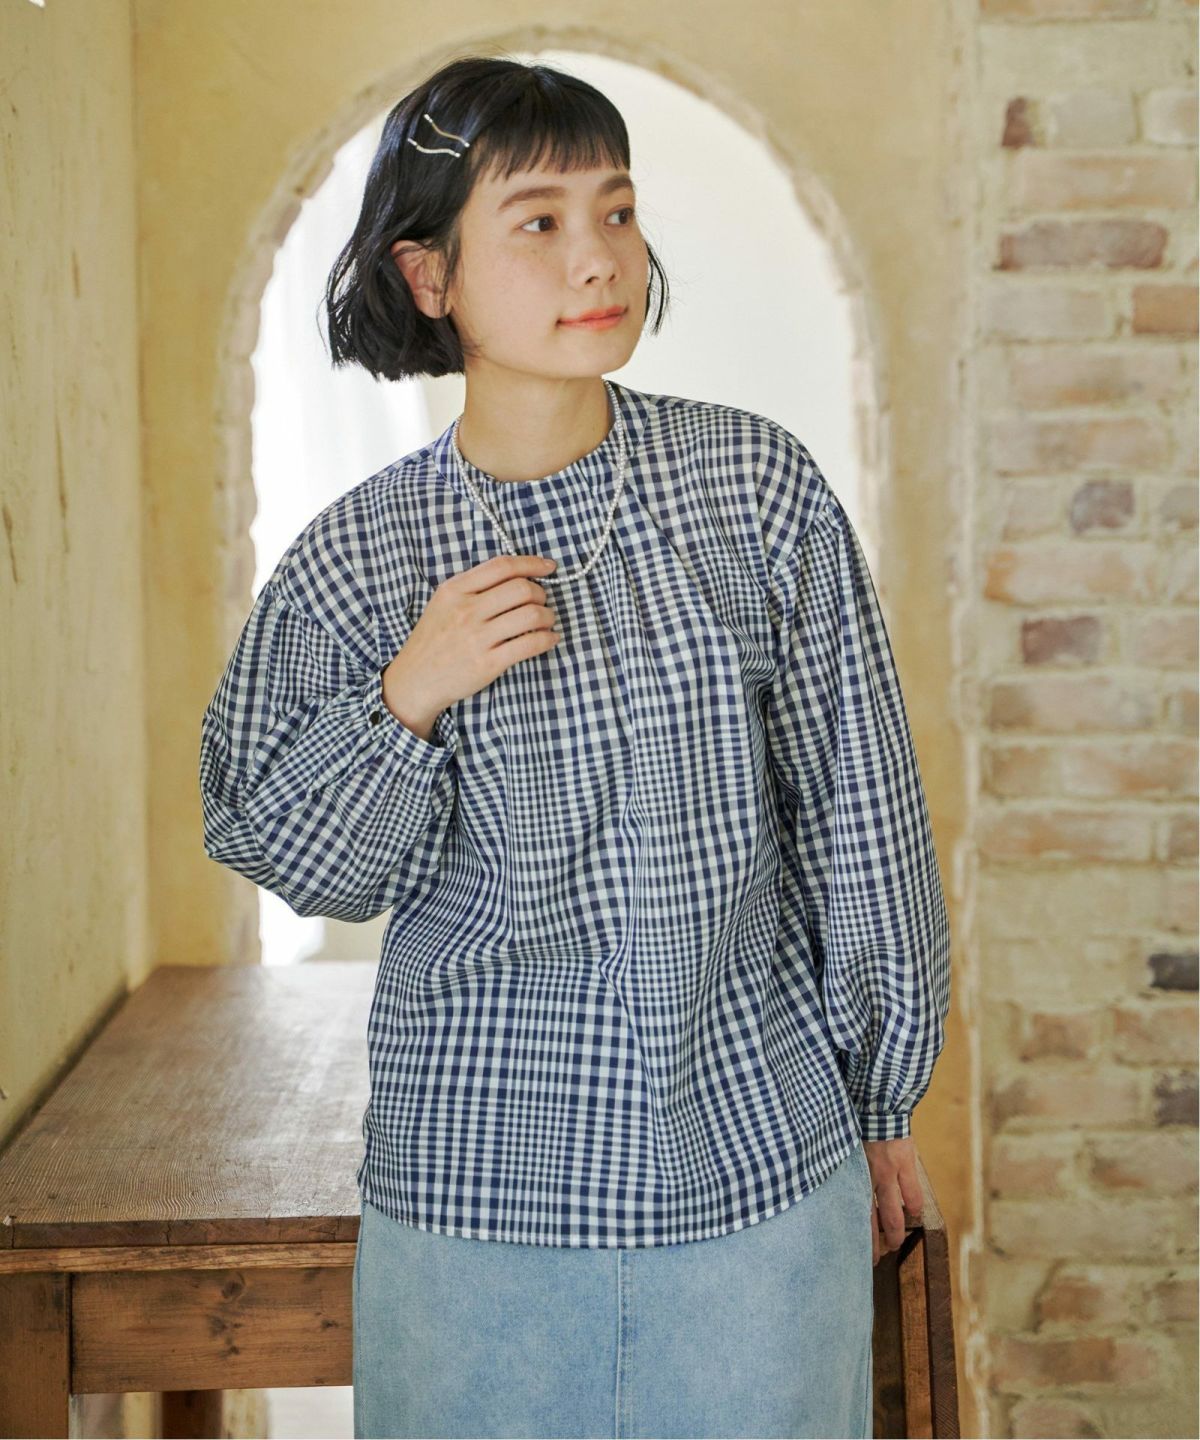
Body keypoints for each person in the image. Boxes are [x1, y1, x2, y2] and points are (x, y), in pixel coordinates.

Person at [199, 53, 952, 1440]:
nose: (597, 256)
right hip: (474, 1200)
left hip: (759, 1173)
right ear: (429, 276)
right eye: (537, 222)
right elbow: (291, 854)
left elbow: (864, 819)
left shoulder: (755, 489)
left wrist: (882, 1102)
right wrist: (409, 695)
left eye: (616, 210)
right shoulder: (357, 557)